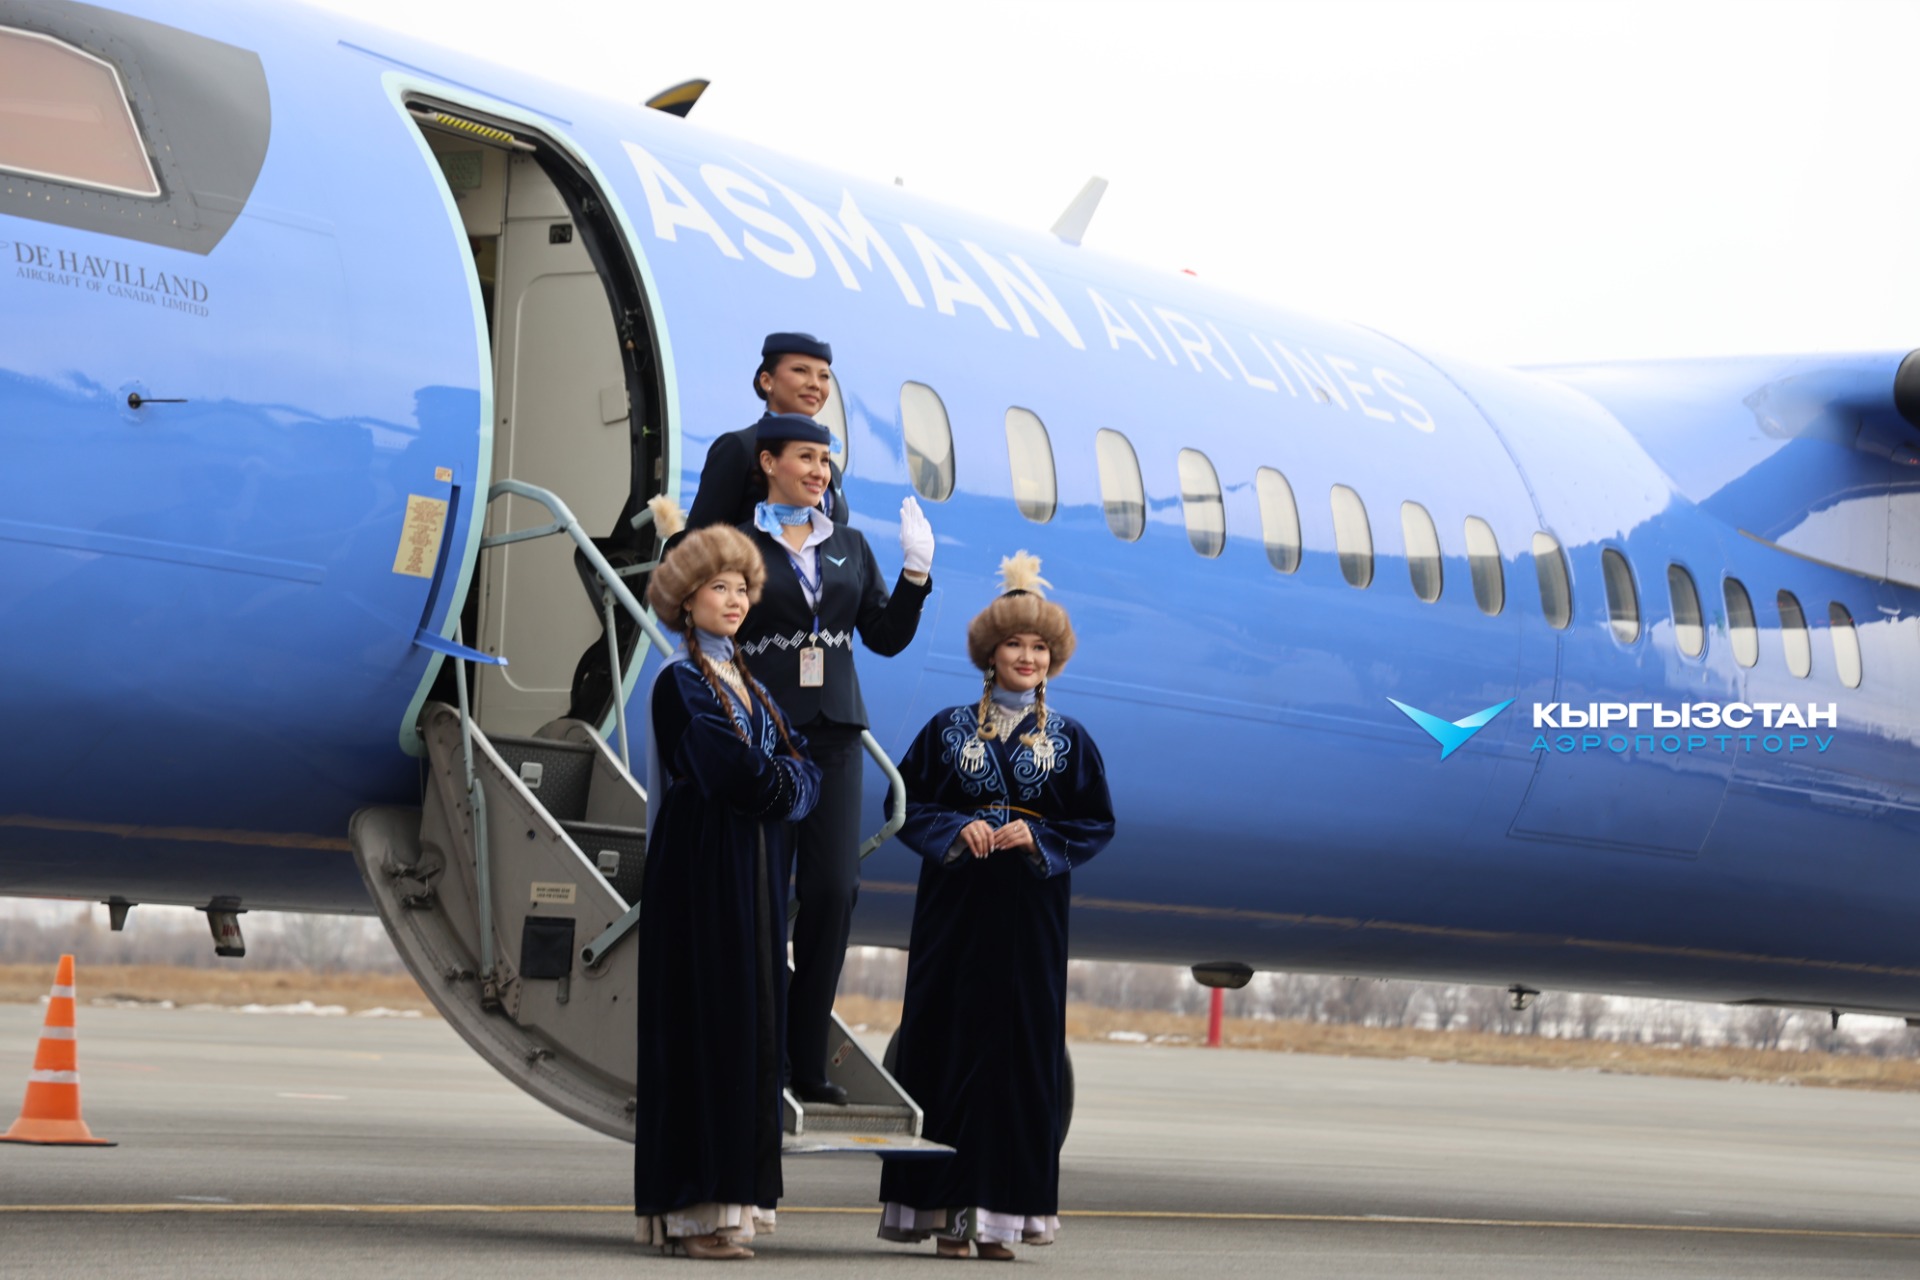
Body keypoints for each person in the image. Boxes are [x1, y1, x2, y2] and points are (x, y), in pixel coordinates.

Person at [877, 553, 1116, 1261]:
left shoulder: (1071, 742)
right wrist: (958, 830)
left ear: (1053, 659)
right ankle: (944, 1215)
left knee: (1019, 1058)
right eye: (1015, 643)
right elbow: (904, 803)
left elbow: (1095, 822)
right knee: (944, 1045)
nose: (1027, 657)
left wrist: (1037, 836)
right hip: (955, 911)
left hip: (1029, 919)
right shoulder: (946, 729)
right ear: (990, 652)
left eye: (1040, 647)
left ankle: (1000, 1221)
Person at [632, 513, 822, 1261]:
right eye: (719, 587)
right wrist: (785, 785)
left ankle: (731, 1209)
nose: (736, 599)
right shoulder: (679, 682)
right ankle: (692, 1213)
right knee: (704, 1028)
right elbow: (728, 771)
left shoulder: (751, 684)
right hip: (700, 873)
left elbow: (805, 770)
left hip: (753, 871)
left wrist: (785, 784)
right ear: (686, 599)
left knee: (749, 1030)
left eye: (743, 587)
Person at [735, 412, 934, 1104]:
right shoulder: (739, 544)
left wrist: (914, 575)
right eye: (806, 458)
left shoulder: (848, 545)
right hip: (765, 733)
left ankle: (808, 1062)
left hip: (837, 734)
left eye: (826, 461)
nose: (819, 471)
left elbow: (884, 636)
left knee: (832, 890)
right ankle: (763, 1061)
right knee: (763, 895)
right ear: (769, 463)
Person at [686, 331, 848, 531]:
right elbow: (699, 538)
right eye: (800, 370)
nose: (815, 384)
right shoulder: (740, 447)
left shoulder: (828, 468)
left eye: (824, 376)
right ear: (766, 381)